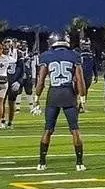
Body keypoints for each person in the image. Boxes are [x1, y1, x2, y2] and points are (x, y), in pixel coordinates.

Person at [31, 32, 86, 171]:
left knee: (48, 129)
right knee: (75, 130)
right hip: (69, 93)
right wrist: (82, 99)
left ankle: (42, 162)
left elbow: (41, 80)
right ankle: (79, 163)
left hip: (53, 93)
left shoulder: (46, 56)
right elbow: (79, 79)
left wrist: (36, 98)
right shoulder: (74, 55)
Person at [2, 38, 24, 129]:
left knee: (11, 103)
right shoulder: (0, 54)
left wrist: (19, 81)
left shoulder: (18, 54)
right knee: (1, 102)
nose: (7, 46)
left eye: (9, 43)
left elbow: (22, 70)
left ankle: (10, 122)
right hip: (2, 81)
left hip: (13, 81)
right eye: (6, 44)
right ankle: (2, 120)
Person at [77, 38, 97, 112]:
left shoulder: (91, 53)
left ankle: (81, 105)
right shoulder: (77, 52)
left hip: (88, 75)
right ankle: (76, 105)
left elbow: (94, 64)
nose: (86, 46)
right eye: (84, 45)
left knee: (85, 91)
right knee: (77, 91)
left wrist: (96, 74)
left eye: (87, 45)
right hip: (79, 74)